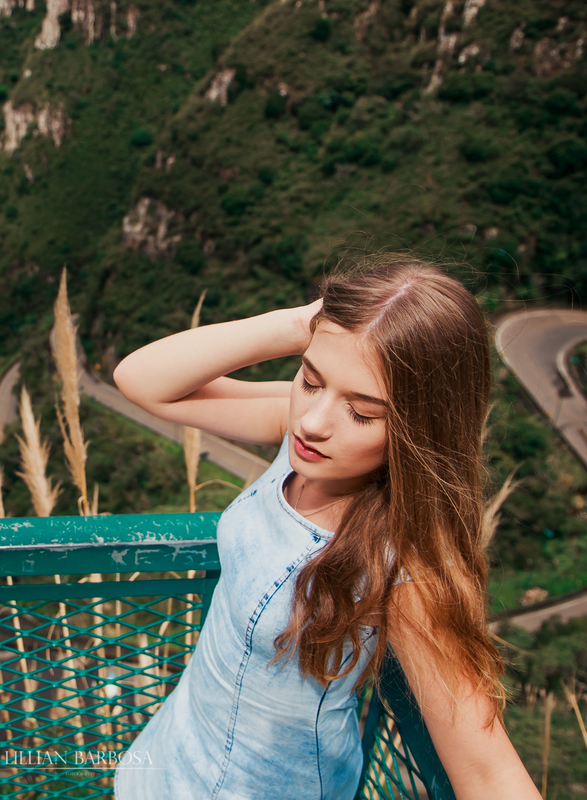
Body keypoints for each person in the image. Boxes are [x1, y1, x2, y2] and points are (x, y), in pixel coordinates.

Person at [110, 259, 541, 800]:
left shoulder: (405, 573)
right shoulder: (306, 440)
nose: (314, 421)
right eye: (310, 379)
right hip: (171, 760)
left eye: (362, 413)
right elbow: (142, 381)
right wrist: (300, 327)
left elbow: (489, 773)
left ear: (419, 431)